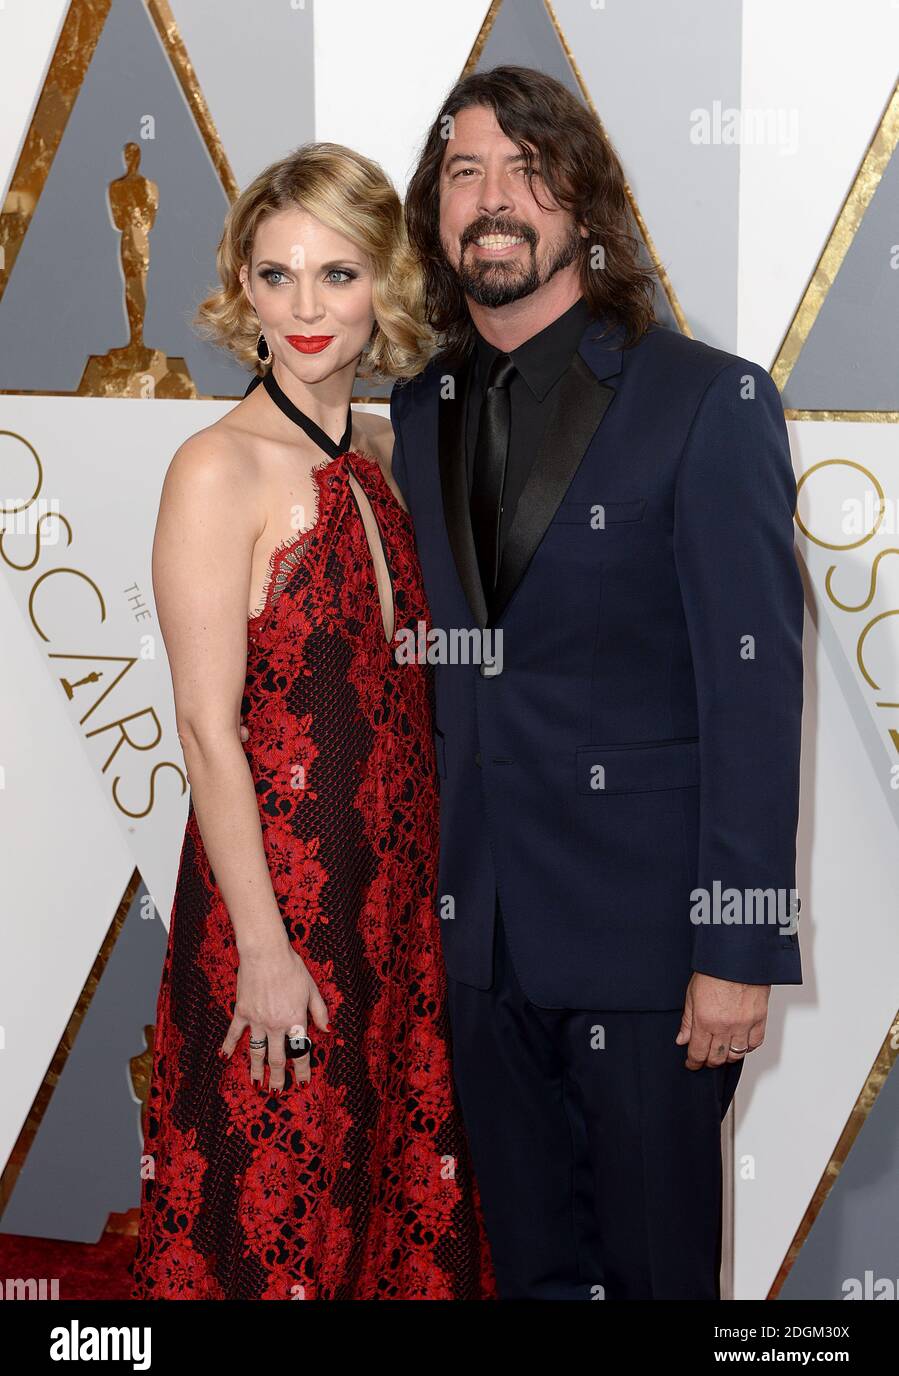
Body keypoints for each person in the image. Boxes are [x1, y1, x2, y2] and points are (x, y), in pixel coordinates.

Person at [390, 65, 805, 1300]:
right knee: (530, 1275)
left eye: (528, 169)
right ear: (436, 210)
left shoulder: (703, 398)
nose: (494, 198)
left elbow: (752, 688)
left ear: (584, 203)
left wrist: (736, 942)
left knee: (655, 1275)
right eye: (465, 171)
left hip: (648, 956)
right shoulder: (422, 406)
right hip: (482, 941)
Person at [129, 143, 496, 1300]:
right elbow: (203, 727)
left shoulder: (378, 464)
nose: (303, 307)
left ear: (381, 282)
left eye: (335, 274)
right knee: (274, 1227)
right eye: (276, 274)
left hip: (388, 910)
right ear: (241, 282)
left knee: (387, 1214)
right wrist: (264, 952)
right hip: (279, 914)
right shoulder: (216, 469)